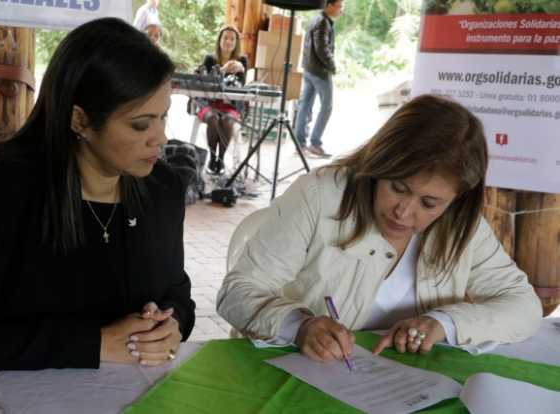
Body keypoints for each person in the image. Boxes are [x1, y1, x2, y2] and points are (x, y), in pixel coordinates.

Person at [0, 18, 195, 371]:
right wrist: (93, 343)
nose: (161, 138)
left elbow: (177, 293)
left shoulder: (162, 189)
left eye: (163, 117)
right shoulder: (3, 189)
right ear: (80, 121)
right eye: (141, 124)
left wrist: (171, 325)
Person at [217, 95, 542, 364]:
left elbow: (523, 305)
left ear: (457, 199)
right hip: (288, 375)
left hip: (402, 389)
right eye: (398, 187)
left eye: (429, 203)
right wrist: (299, 326)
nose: (404, 212)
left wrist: (444, 324)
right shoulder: (320, 195)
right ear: (378, 166)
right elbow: (237, 292)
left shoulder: (461, 225)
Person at [194, 25, 247, 175]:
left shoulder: (242, 60)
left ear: (236, 42)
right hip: (209, 104)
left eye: (232, 39)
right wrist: (223, 69)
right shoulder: (210, 59)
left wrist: (241, 70)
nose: (228, 41)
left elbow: (241, 86)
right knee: (213, 118)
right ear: (219, 40)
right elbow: (205, 83)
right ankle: (212, 158)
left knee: (228, 121)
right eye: (225, 38)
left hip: (231, 106)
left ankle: (221, 160)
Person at [293, 0, 343, 158]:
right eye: (339, 6)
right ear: (329, 5)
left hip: (309, 69)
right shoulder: (322, 22)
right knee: (327, 106)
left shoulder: (318, 18)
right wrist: (332, 66)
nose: (341, 10)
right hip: (319, 72)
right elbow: (322, 49)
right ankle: (315, 143)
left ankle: (299, 143)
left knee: (304, 105)